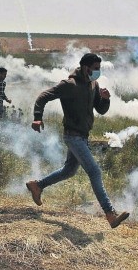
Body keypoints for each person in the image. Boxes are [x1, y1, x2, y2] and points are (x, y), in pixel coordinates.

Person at [25, 53, 130, 228]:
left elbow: (101, 109)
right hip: (72, 136)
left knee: (69, 171)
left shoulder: (93, 84)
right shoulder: (69, 85)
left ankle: (37, 185)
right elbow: (44, 96)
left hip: (83, 136)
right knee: (95, 172)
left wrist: (105, 100)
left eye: (99, 69)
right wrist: (37, 117)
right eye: (95, 69)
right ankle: (110, 214)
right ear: (85, 67)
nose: (98, 72)